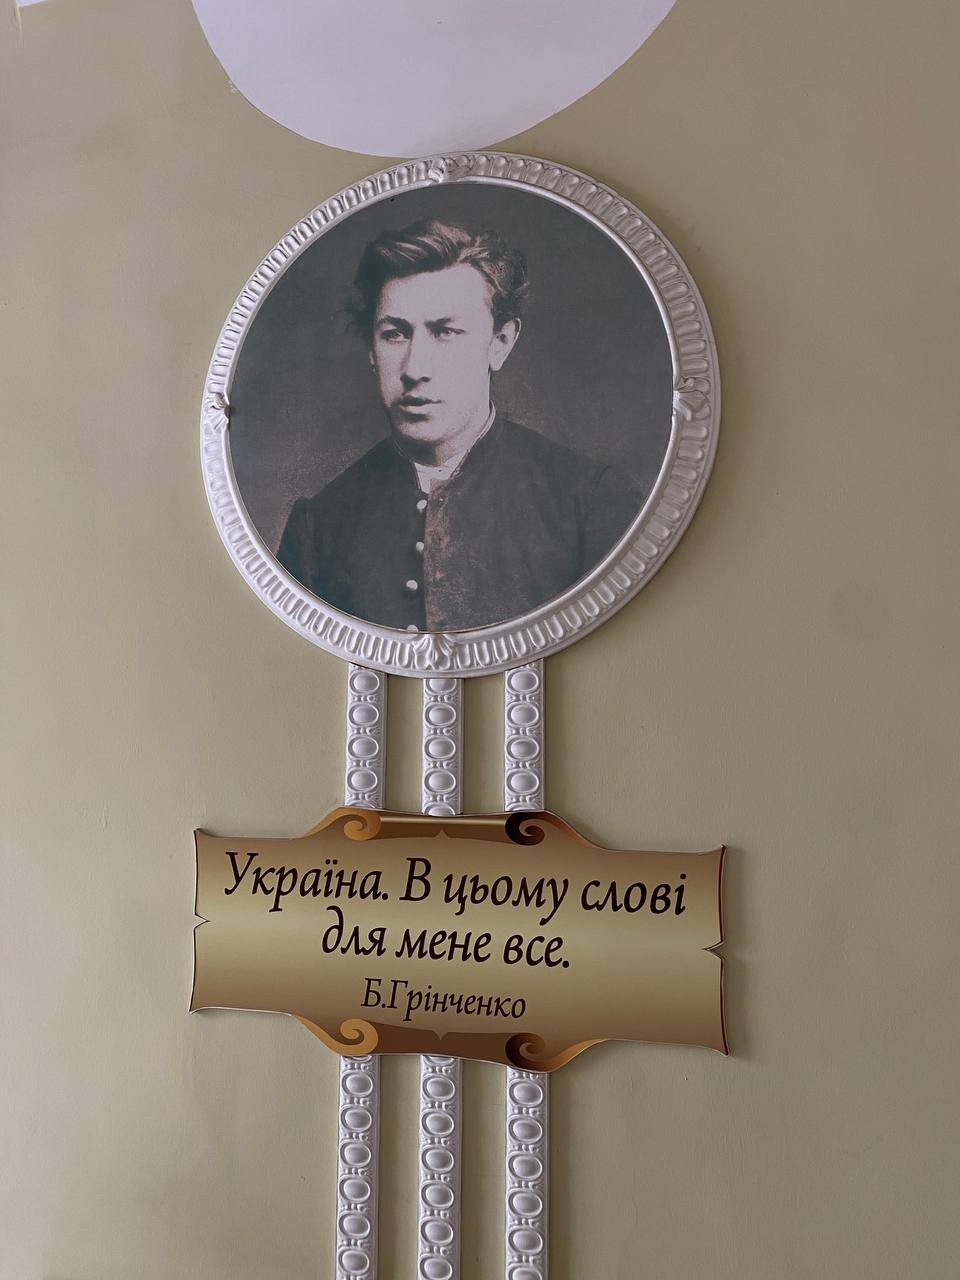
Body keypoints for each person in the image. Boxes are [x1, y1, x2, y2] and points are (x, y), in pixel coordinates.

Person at [276, 218, 643, 632]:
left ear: (500, 343)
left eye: (446, 332)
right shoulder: (318, 526)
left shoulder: (590, 502)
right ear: (371, 351)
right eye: (395, 334)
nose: (415, 368)